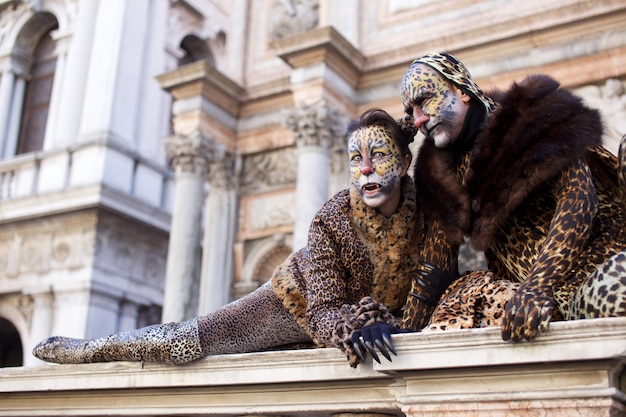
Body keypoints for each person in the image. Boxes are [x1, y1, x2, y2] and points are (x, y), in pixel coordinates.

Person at [32, 108, 457, 368]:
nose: (365, 170)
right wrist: (358, 327)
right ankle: (92, 349)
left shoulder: (431, 215)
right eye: (354, 159)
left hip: (355, 326)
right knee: (189, 341)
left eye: (378, 156)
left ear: (403, 163)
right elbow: (324, 311)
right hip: (291, 300)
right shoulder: (331, 220)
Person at [400, 52, 626, 342]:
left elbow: (578, 199)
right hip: (569, 298)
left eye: (425, 100)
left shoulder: (532, 117)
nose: (418, 120)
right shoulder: (442, 177)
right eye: (411, 111)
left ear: (461, 90)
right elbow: (435, 265)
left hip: (608, 257)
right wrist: (402, 332)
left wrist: (538, 285)